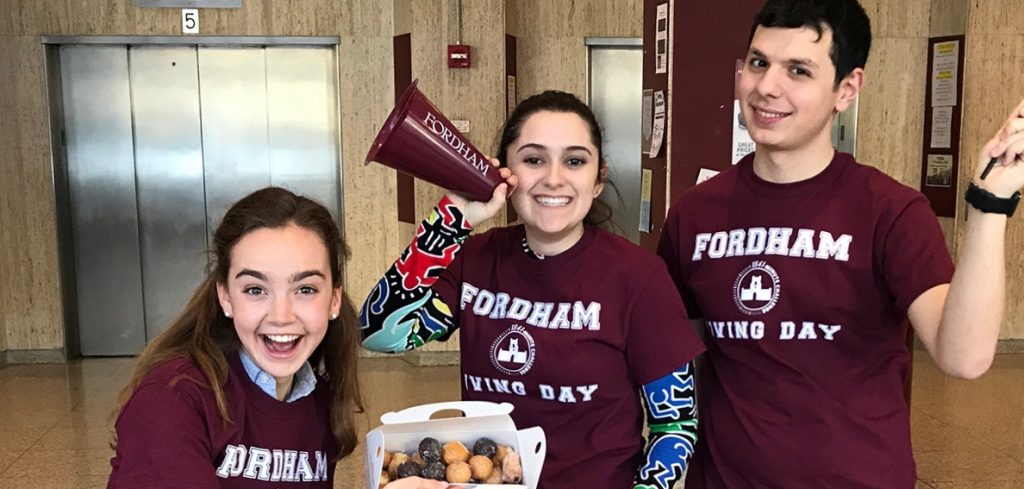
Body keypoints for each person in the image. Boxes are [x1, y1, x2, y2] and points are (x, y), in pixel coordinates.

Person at [657, 1, 1024, 488]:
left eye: (799, 70)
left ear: (846, 90)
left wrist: (988, 206)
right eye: (759, 63)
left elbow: (963, 356)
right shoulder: (693, 213)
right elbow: (677, 355)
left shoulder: (890, 211)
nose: (767, 87)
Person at [360, 91, 705, 489]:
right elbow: (380, 334)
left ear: (598, 180)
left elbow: (676, 425)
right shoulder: (477, 259)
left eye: (574, 161)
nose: (553, 178)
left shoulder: (639, 277)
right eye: (533, 159)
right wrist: (451, 219)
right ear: (506, 174)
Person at [107, 187, 446, 489]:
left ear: (333, 300)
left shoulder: (320, 400)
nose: (281, 316)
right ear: (225, 297)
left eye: (305, 289)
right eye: (255, 289)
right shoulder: (172, 399)